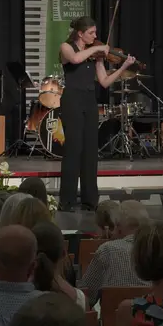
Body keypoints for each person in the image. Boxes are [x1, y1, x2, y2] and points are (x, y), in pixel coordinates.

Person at [58, 16, 136, 211]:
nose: (95, 36)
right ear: (80, 33)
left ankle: (90, 200)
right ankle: (66, 201)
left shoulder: (96, 55)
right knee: (73, 149)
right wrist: (97, 49)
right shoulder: (66, 47)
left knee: (90, 151)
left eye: (95, 32)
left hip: (89, 101)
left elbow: (104, 82)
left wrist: (123, 67)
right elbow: (75, 59)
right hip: (72, 100)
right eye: (91, 33)